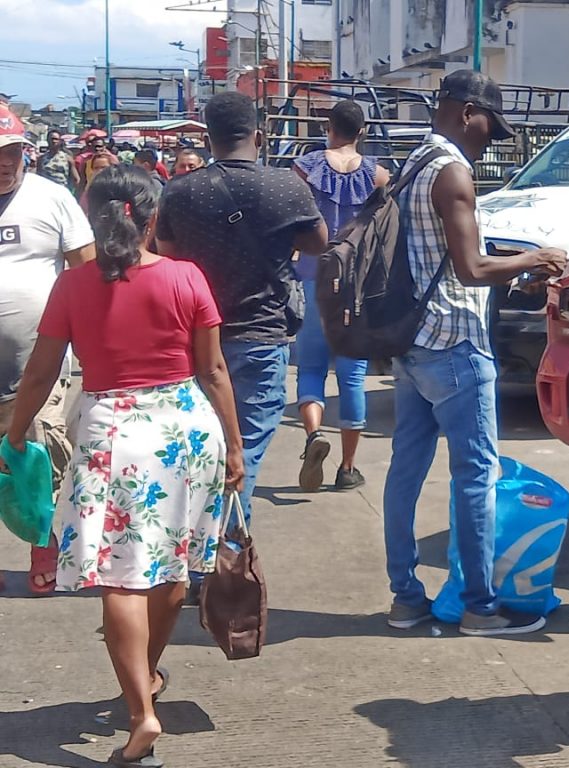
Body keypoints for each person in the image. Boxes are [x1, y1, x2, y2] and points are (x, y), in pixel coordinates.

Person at [5, 165, 244, 766]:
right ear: (152, 216)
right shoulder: (187, 278)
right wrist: (235, 446)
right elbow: (213, 371)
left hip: (113, 433)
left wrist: (13, 435)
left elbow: (40, 373)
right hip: (188, 430)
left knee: (119, 577)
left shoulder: (73, 286)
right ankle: (147, 675)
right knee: (170, 568)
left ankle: (143, 712)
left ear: (93, 216)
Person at [383, 70, 567, 636]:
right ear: (466, 112)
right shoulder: (452, 171)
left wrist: (512, 277)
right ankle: (480, 607)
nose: (491, 138)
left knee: (406, 469)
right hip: (455, 343)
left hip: (411, 341)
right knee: (475, 476)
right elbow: (471, 268)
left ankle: (405, 598)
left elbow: (442, 259)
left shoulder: (414, 162)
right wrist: (538, 259)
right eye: (489, 124)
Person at [156, 91, 328, 536]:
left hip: (195, 339)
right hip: (261, 335)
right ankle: (221, 555)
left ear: (208, 139)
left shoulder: (178, 191)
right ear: (258, 134)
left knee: (201, 451)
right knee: (243, 451)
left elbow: (167, 258)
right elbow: (318, 242)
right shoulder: (285, 185)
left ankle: (197, 550)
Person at [0, 114, 95, 595]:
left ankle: (42, 541)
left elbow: (85, 269)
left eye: (11, 152)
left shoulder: (51, 198)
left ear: (25, 151)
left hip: (40, 362)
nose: (3, 162)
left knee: (39, 453)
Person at [292, 100, 389, 492]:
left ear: (328, 128)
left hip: (314, 276)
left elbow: (291, 220)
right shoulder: (379, 176)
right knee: (353, 376)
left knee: (311, 367)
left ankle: (314, 436)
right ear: (362, 132)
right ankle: (348, 468)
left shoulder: (305, 168)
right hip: (357, 284)